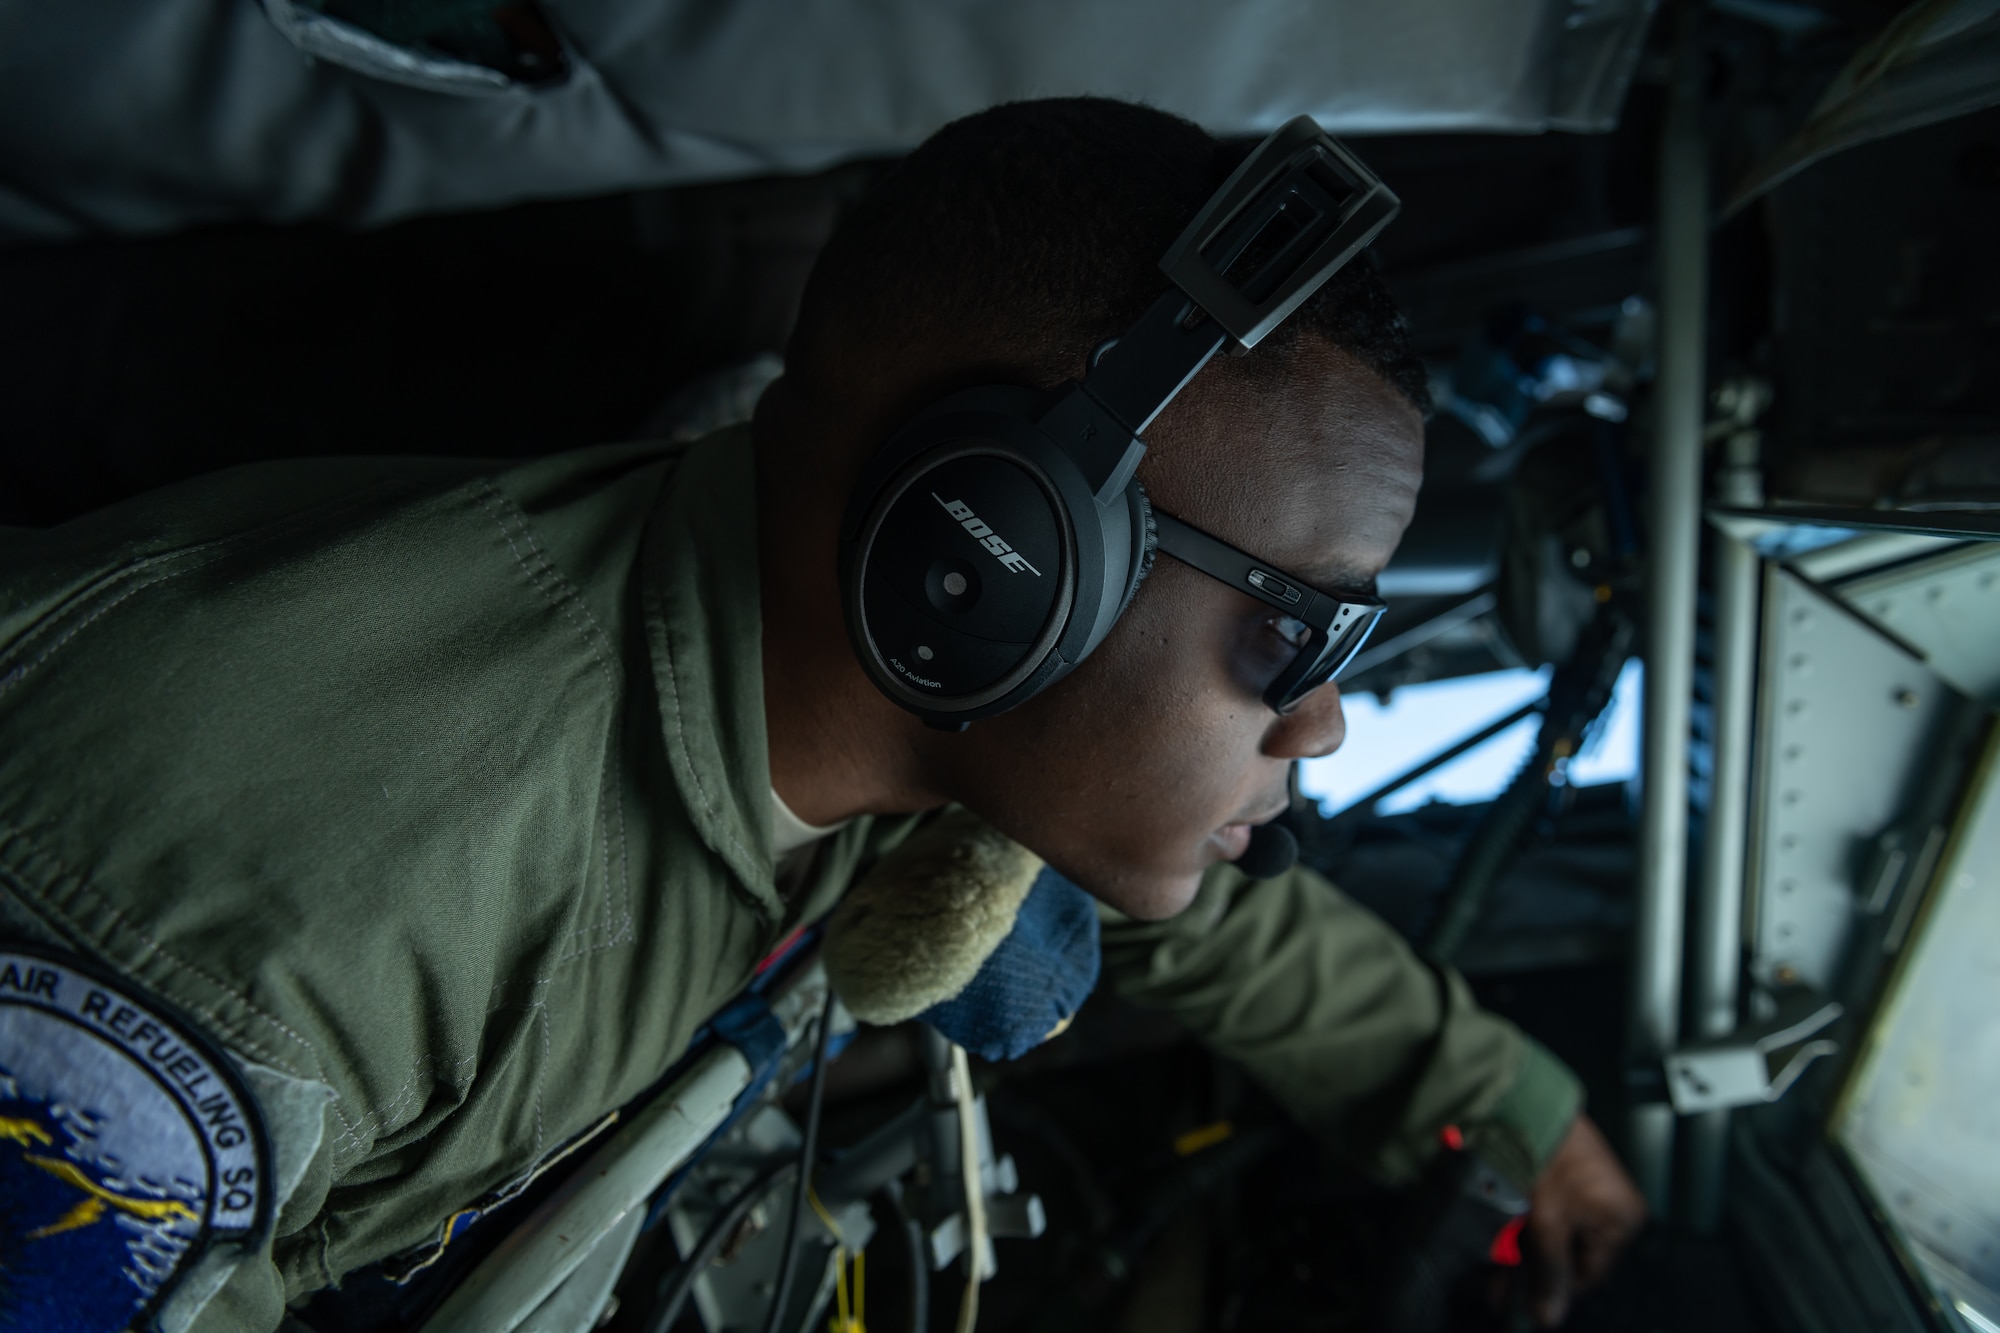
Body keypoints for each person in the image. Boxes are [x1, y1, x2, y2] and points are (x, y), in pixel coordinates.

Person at [0, 98, 1642, 1332]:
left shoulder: (870, 702)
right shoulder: (280, 906)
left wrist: (1512, 1107)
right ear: (995, 550)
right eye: (1303, 629)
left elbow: (1203, 917)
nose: (1331, 725)